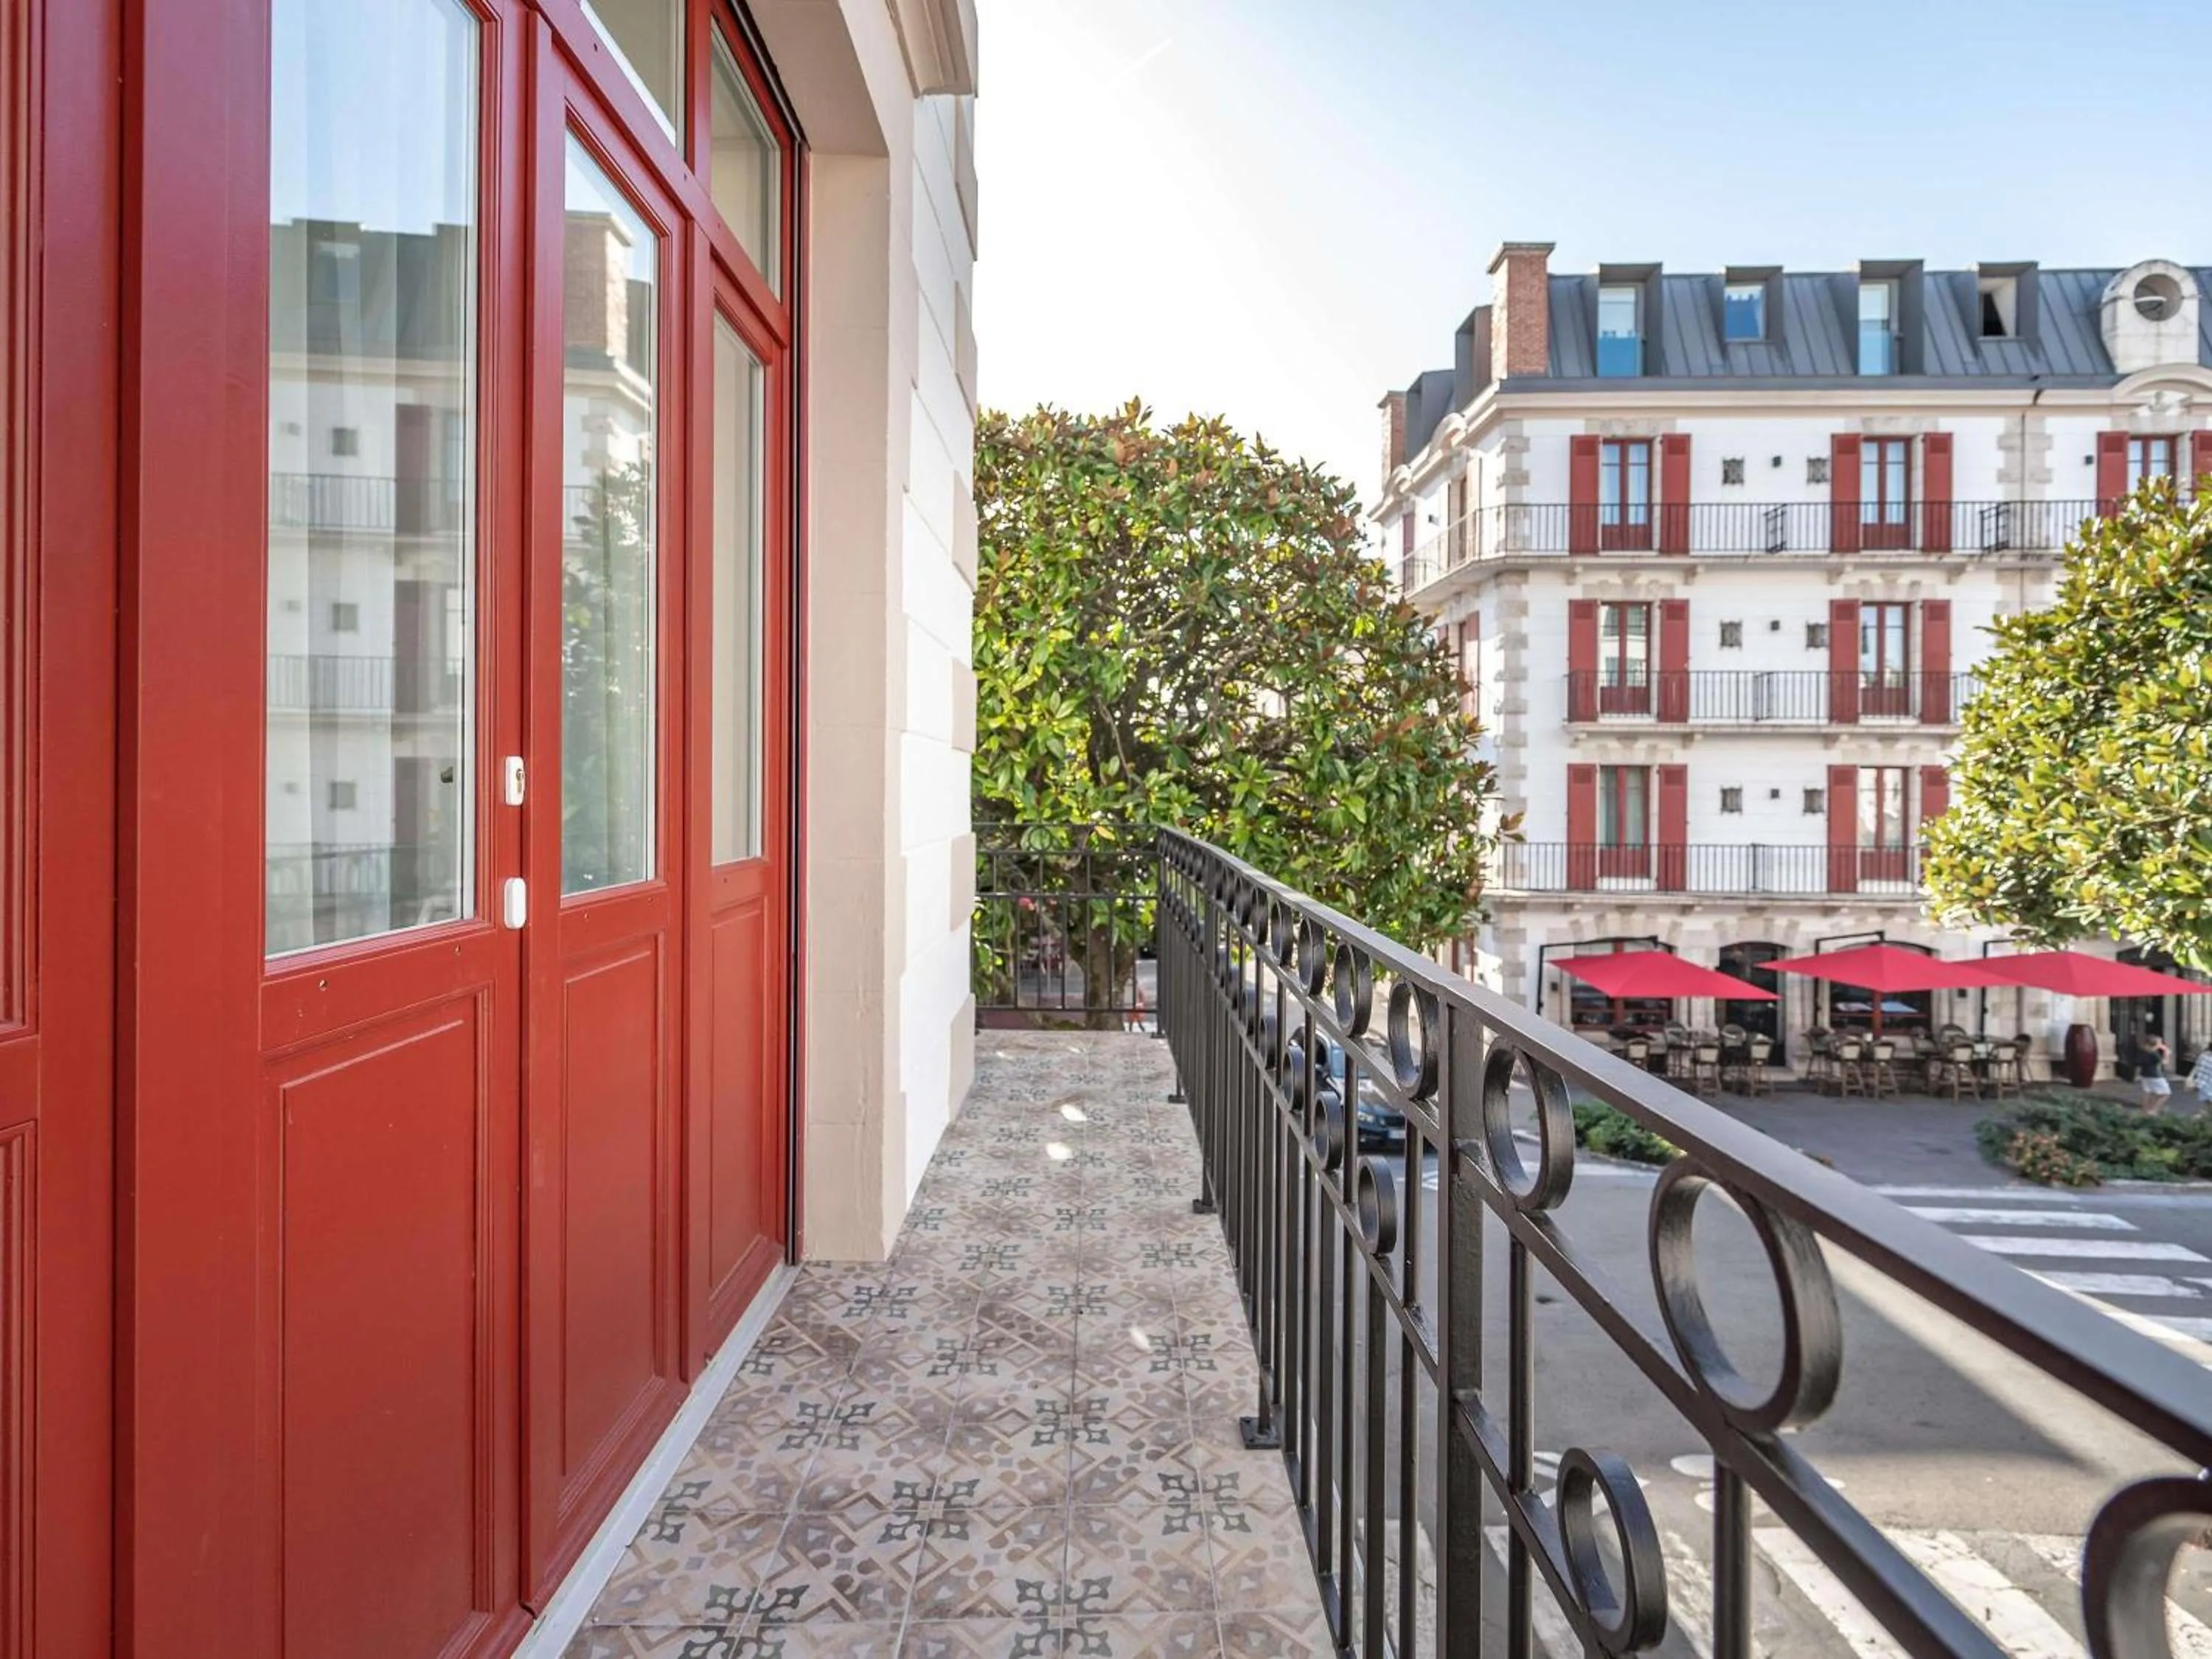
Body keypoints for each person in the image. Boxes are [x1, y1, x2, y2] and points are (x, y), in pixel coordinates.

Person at [2137, 1034, 2173, 1113]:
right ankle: (2154, 1110)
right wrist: (2167, 1054)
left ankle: (2145, 1110)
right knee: (2166, 1093)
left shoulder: (2144, 1051)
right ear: (2156, 1044)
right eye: (2160, 1043)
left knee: (2147, 1092)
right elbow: (2164, 1062)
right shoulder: (2154, 1054)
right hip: (2155, 1075)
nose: (2161, 1044)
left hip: (2145, 1074)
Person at [2189, 1041, 2212, 1111]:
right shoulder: (2204, 1056)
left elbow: (2197, 1067)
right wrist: (2191, 1077)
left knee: (2208, 1106)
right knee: (2208, 1106)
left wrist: (2191, 1077)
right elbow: (2197, 1066)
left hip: (2204, 1084)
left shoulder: (2204, 1055)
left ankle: (2203, 1115)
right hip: (2206, 1084)